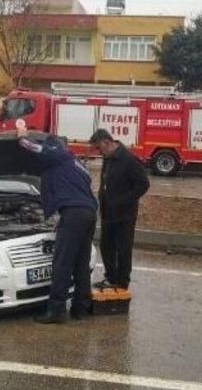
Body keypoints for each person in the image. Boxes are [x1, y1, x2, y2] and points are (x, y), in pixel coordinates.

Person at [16, 124, 97, 324]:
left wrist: (21, 135)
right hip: (88, 214)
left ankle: (56, 310)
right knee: (80, 263)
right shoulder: (77, 164)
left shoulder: (56, 154)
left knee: (62, 263)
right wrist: (60, 218)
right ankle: (81, 308)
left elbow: (31, 147)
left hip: (74, 214)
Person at [88, 129, 150, 290]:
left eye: (99, 148)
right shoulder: (108, 158)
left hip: (125, 215)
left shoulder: (128, 160)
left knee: (123, 249)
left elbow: (143, 184)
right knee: (106, 246)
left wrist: (123, 200)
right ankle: (111, 277)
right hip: (108, 212)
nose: (98, 152)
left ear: (107, 142)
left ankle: (122, 282)